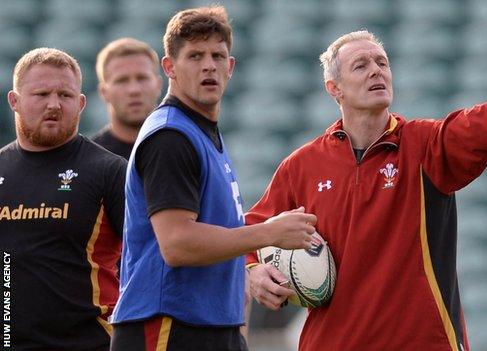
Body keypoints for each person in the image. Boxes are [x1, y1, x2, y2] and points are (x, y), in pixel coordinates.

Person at [246, 30, 487, 351]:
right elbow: (250, 230)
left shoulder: (425, 145)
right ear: (334, 88)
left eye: (382, 63)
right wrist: (252, 271)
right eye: (361, 65)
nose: (376, 71)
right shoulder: (302, 165)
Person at [109, 6, 316, 351]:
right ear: (169, 67)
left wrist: (248, 273)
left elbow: (213, 237)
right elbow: (177, 244)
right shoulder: (170, 136)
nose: (209, 65)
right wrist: (268, 234)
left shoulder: (201, 133)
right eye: (195, 56)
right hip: (168, 326)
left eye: (218, 55)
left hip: (214, 325)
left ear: (231, 67)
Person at [0, 48, 126, 350]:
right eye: (41, 94)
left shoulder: (110, 172)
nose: (54, 104)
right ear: (14, 101)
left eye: (65, 95)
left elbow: (151, 262)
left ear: (81, 103)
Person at [91, 37, 163, 159]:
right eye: (122, 81)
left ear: (158, 85)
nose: (134, 90)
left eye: (142, 78)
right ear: (104, 92)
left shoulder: (185, 147)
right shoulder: (90, 158)